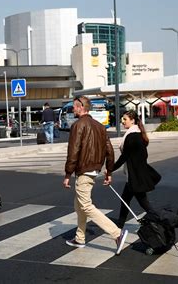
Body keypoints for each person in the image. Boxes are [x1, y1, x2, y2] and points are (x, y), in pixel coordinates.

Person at [63, 96, 128, 255]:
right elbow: (109, 150)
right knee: (79, 205)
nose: (73, 109)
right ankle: (80, 237)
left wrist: (67, 174)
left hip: (84, 170)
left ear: (80, 107)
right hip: (95, 170)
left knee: (85, 205)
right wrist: (109, 171)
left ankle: (117, 234)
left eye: (74, 106)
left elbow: (73, 152)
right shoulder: (100, 126)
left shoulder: (78, 125)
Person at [109, 110, 160, 228]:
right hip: (137, 175)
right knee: (126, 199)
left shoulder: (132, 136)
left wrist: (110, 169)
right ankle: (120, 224)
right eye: (122, 119)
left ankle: (160, 221)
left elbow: (124, 156)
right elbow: (142, 155)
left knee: (144, 203)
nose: (122, 122)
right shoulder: (138, 134)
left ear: (132, 120)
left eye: (125, 119)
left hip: (136, 176)